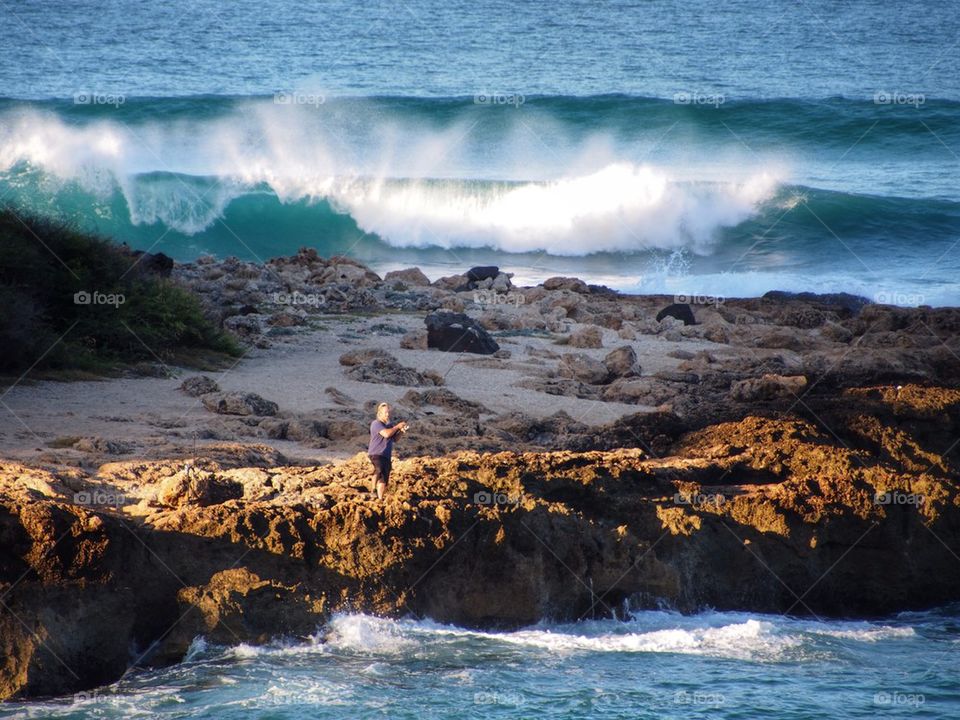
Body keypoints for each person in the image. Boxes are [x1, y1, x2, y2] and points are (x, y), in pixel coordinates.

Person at [368, 402, 408, 499]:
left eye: (389, 412)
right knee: (379, 469)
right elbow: (386, 434)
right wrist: (397, 427)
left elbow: (394, 439)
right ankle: (373, 490)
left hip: (386, 455)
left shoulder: (390, 426)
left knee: (384, 478)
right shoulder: (376, 423)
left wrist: (401, 432)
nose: (388, 414)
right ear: (380, 413)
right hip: (376, 453)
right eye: (385, 412)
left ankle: (380, 498)